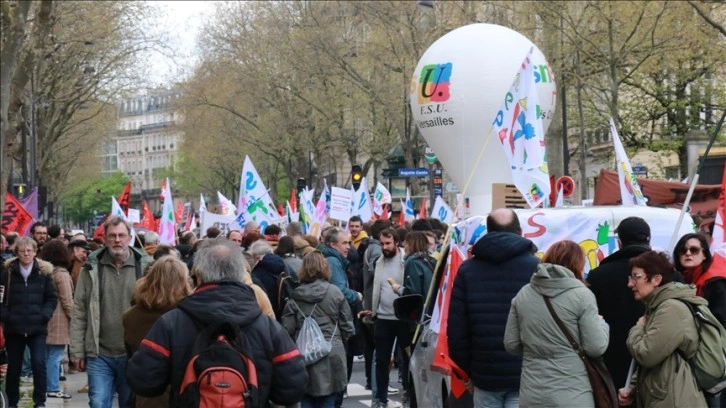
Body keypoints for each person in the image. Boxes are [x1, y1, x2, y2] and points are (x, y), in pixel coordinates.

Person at [126, 239, 308, 406]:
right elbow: (293, 388)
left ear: (198, 274)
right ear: (240, 273)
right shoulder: (267, 327)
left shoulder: (171, 323)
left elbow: (143, 381)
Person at [448, 208, 539, 408]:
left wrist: (467, 371)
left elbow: (456, 330)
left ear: (488, 232)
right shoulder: (537, 268)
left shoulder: (468, 270)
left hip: (484, 374)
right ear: (520, 231)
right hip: (525, 374)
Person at [504, 240, 609, 407]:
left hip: (531, 393)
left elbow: (511, 344)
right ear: (578, 264)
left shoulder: (524, 294)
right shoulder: (582, 295)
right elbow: (595, 347)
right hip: (572, 392)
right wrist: (603, 326)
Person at [70, 216, 152, 408]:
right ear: (105, 238)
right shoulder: (90, 268)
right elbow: (79, 310)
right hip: (100, 353)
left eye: (121, 235)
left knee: (128, 403)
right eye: (112, 235)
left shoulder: (147, 267)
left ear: (129, 237)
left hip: (133, 353)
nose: (117, 240)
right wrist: (76, 350)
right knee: (98, 403)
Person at [618, 251, 706, 407]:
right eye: (630, 277)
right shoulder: (658, 307)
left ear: (656, 280)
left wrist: (637, 329)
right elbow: (658, 358)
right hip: (663, 395)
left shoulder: (671, 309)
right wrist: (632, 387)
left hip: (675, 399)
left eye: (636, 277)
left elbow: (647, 354)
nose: (630, 284)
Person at [281, 251, 354, 408]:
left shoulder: (295, 296)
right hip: (331, 350)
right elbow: (347, 326)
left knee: (306, 396)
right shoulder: (335, 292)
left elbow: (287, 329)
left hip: (305, 351)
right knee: (329, 397)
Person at [586, 216, 651, 389]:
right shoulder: (669, 275)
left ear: (620, 242)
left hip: (611, 360)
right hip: (654, 362)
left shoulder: (598, 275)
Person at [123, 256, 193, 408]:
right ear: (183, 281)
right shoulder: (189, 315)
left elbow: (131, 355)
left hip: (147, 396)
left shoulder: (131, 316)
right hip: (183, 394)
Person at [0, 237, 58, 408]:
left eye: (29, 250)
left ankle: (40, 401)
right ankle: (12, 402)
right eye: (22, 251)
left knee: (39, 363)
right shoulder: (7, 273)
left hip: (37, 327)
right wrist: (7, 316)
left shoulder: (43, 273)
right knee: (14, 368)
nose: (26, 254)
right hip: (14, 328)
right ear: (16, 252)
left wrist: (44, 315)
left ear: (35, 252)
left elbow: (51, 298)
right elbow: (1, 300)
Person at [369, 228, 407, 408]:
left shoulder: (406, 260)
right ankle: (380, 399)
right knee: (382, 360)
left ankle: (408, 393)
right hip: (383, 317)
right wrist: (372, 310)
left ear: (396, 242)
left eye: (388, 243)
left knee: (406, 359)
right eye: (382, 243)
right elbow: (375, 287)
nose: (384, 247)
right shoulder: (379, 262)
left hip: (403, 317)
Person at [38, 240, 74, 400]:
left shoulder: (44, 272)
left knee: (46, 356)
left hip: (45, 319)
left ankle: (44, 386)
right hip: (59, 321)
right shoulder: (61, 274)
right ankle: (52, 387)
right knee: (55, 356)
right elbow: (67, 300)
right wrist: (76, 319)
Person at [673, 233, 725, 325]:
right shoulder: (675, 280)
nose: (688, 253)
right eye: (683, 250)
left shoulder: (715, 283)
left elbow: (720, 320)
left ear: (704, 255)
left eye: (694, 250)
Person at [389, 231, 435, 299]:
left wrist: (398, 289)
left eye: (406, 243)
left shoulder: (414, 263)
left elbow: (413, 293)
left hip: (418, 307)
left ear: (411, 244)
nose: (404, 246)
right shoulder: (430, 260)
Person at [250, 239, 287, 318]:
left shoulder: (256, 274)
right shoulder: (284, 265)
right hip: (283, 314)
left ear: (256, 257)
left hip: (267, 316)